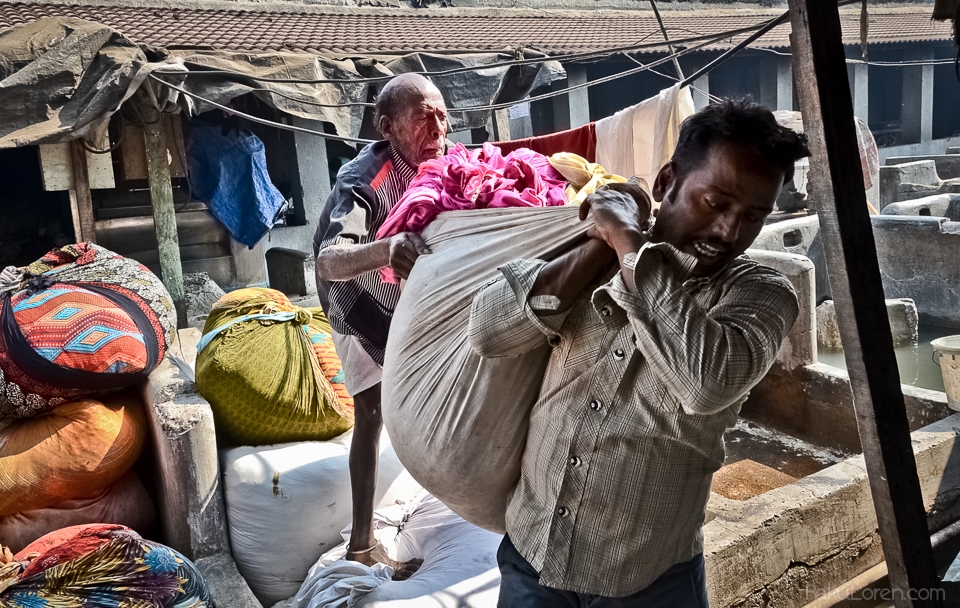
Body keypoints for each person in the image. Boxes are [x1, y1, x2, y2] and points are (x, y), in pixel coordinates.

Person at [468, 99, 810, 606]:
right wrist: (604, 245)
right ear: (668, 181)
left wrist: (631, 245)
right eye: (717, 203)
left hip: (648, 579)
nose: (729, 232)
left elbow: (705, 383)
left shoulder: (762, 292)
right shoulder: (595, 254)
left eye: (753, 217)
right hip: (531, 556)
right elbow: (490, 331)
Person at [313, 73, 447, 577]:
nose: (437, 126)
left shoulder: (444, 159)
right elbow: (330, 259)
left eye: (440, 113)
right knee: (372, 413)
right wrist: (387, 249)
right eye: (422, 117)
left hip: (409, 295)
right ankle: (362, 545)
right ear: (387, 127)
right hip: (357, 298)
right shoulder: (362, 181)